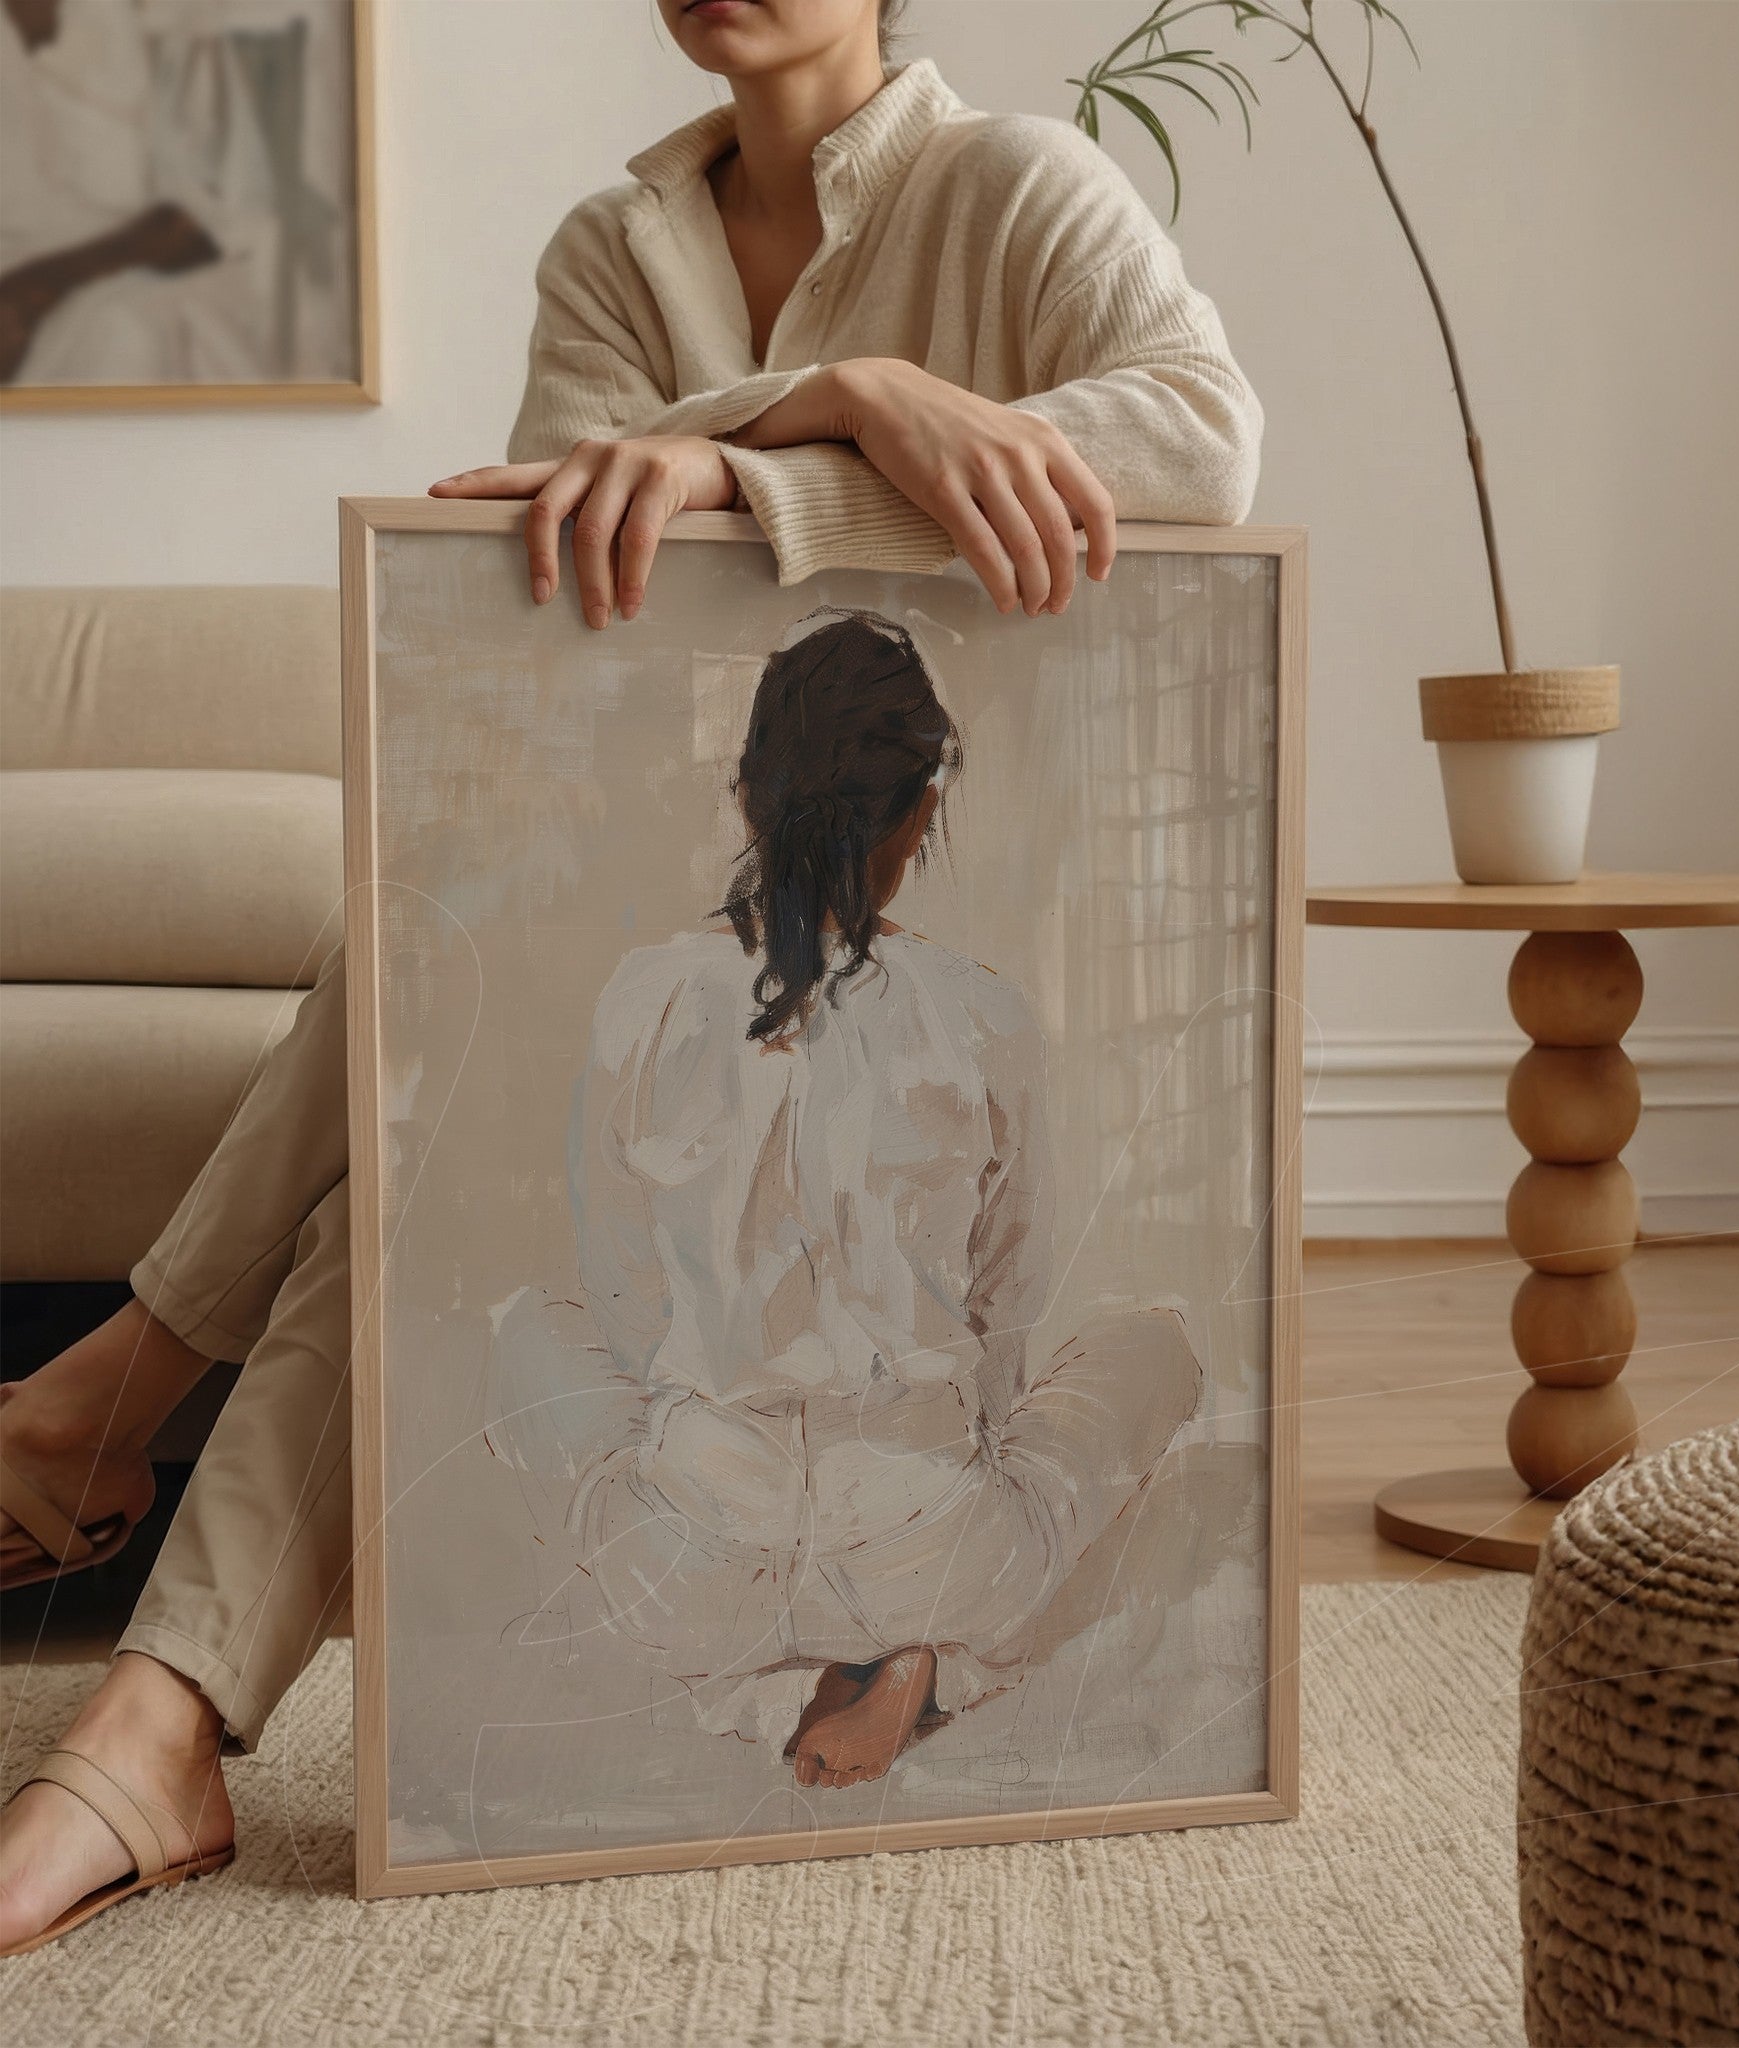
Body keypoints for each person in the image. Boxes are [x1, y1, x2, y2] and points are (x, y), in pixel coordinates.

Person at [0, 0, 1260, 1952]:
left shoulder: (1015, 186)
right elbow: (548, 574)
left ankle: (123, 1458)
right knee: (440, 959)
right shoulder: (614, 246)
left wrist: (775, 451)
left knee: (415, 1020)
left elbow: (1198, 442)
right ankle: (156, 1704)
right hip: (668, 907)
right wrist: (850, 397)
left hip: (980, 905)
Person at [488, 607, 1201, 1787]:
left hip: (692, 1560)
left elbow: (619, 1298)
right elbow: (1006, 1317)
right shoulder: (982, 1013)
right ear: (924, 810)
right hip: (932, 1541)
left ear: (743, 795)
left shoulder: (643, 996)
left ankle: (763, 1689)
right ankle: (934, 1666)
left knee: (522, 1333)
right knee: (1159, 1343)